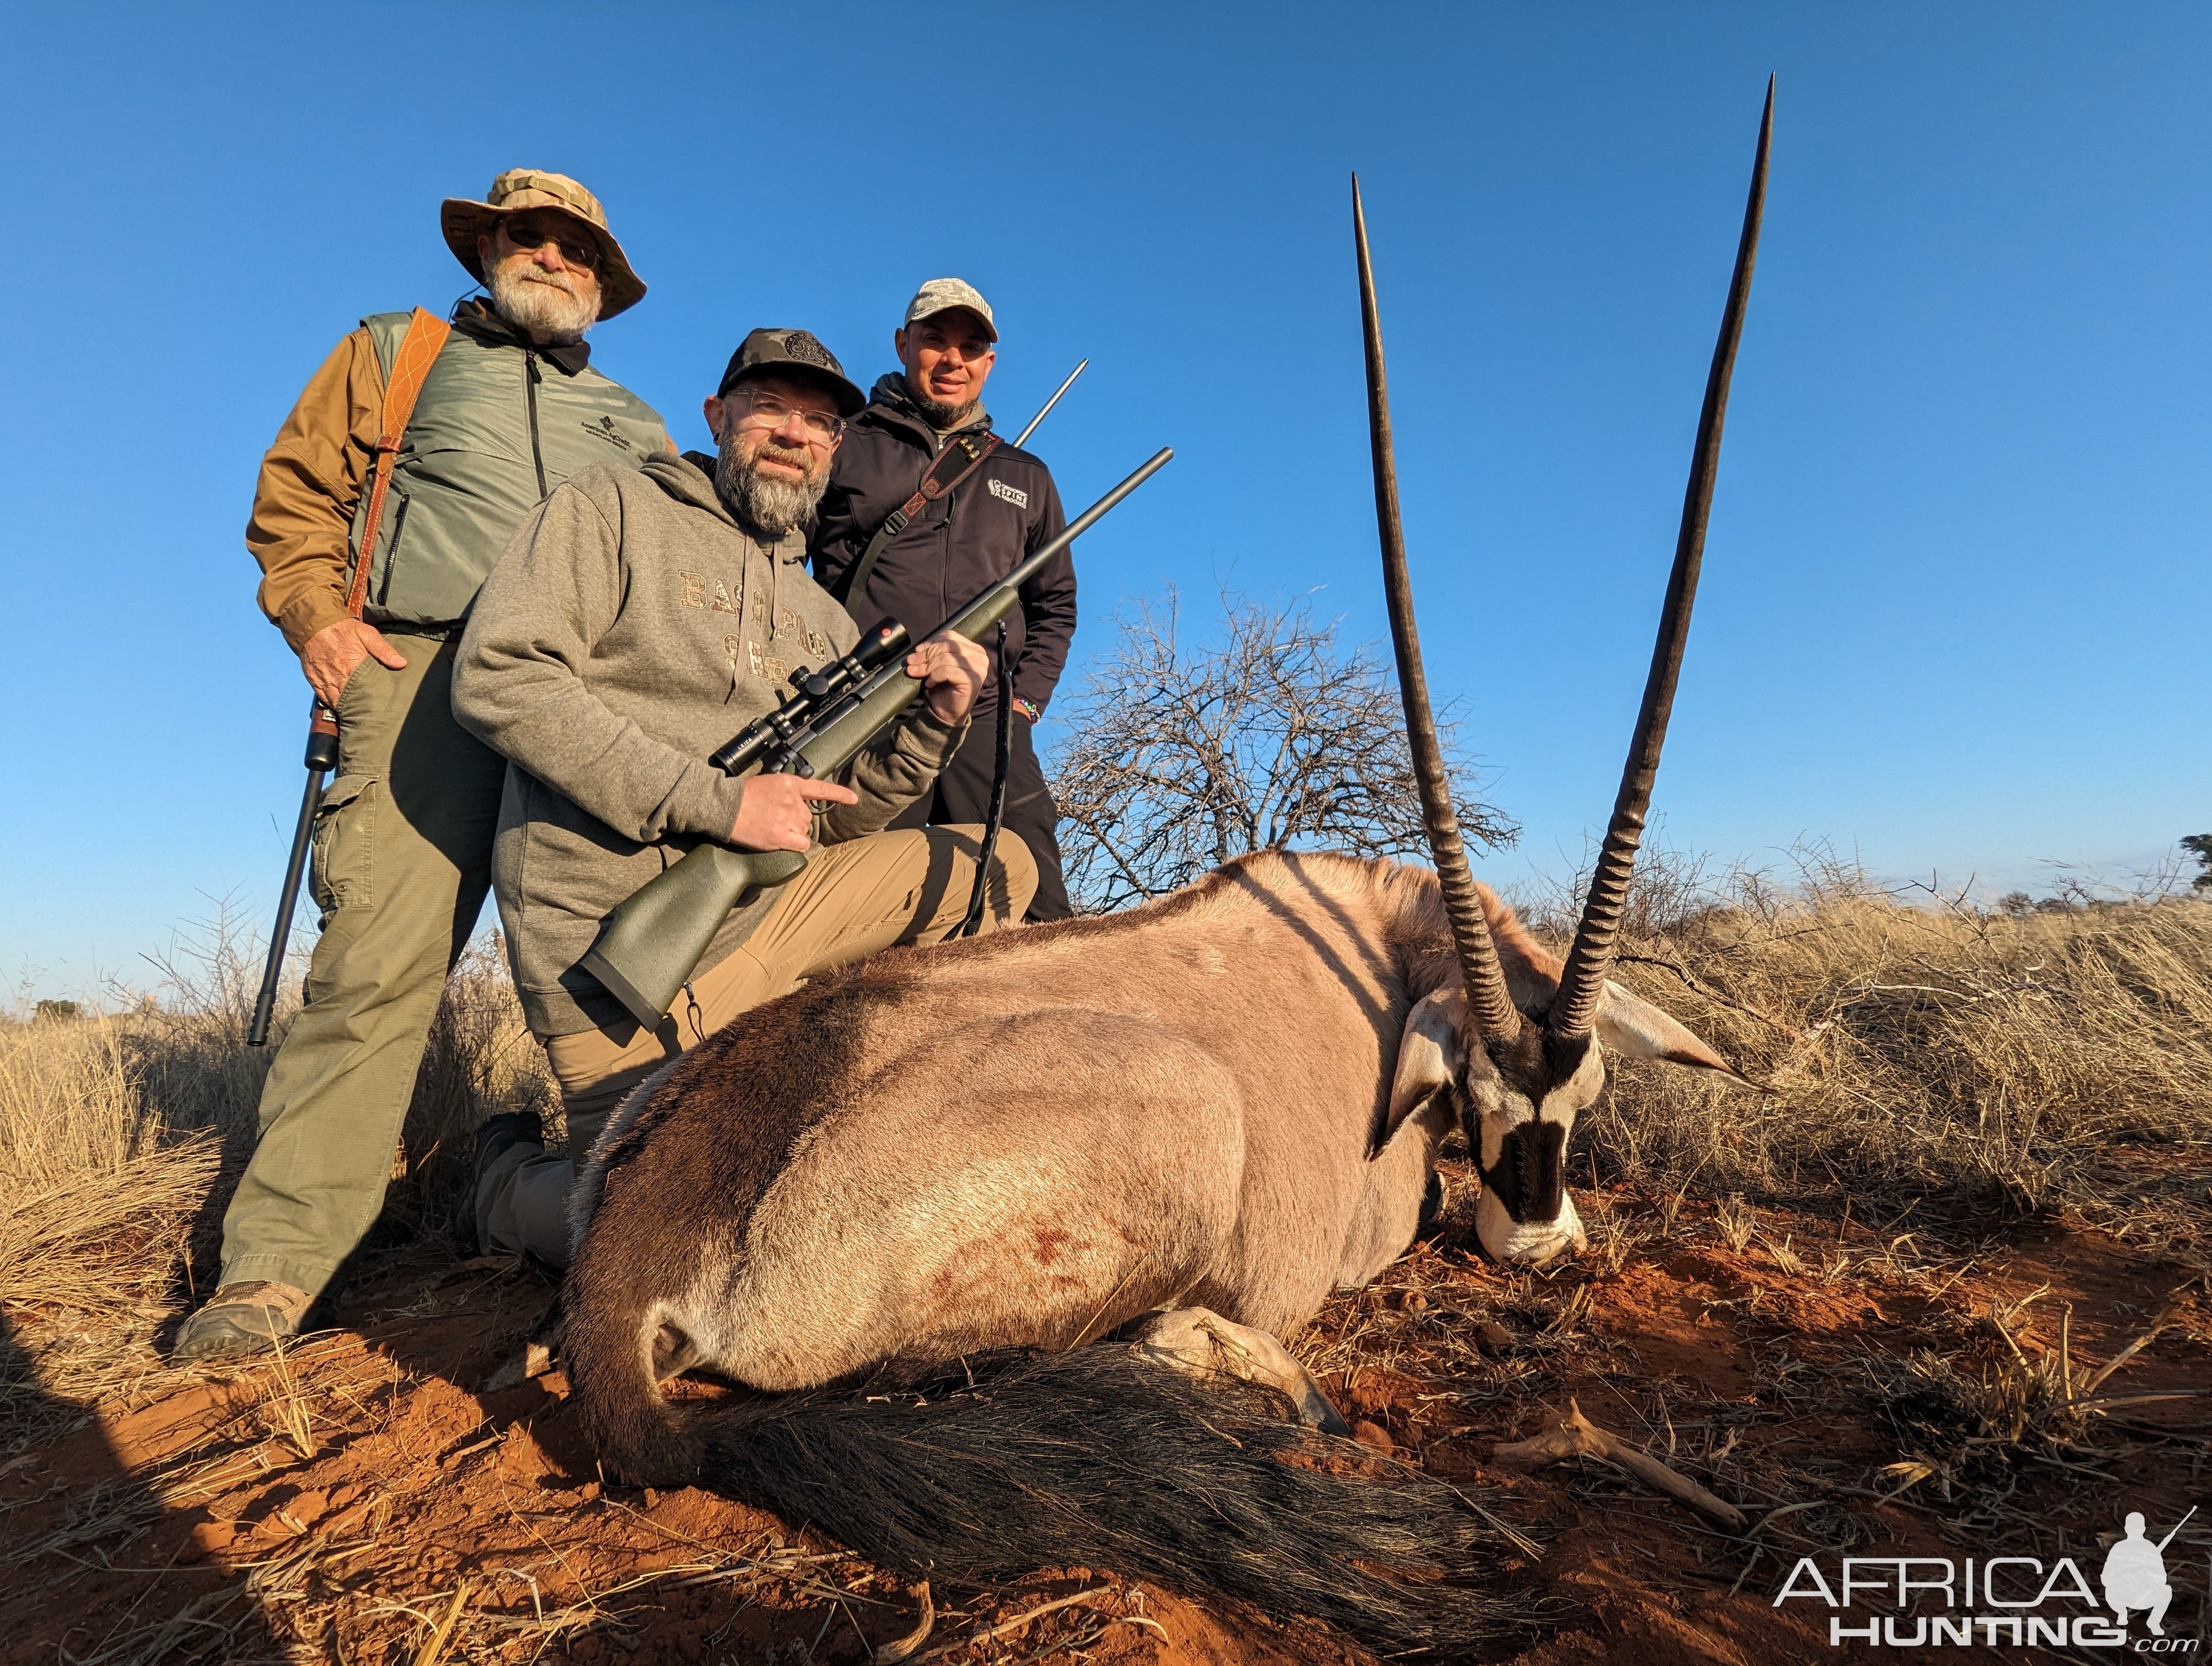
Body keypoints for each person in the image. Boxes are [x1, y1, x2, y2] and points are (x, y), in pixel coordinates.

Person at [176, 170, 670, 1362]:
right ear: (489, 242)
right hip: (426, 674)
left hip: (588, 705)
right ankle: (273, 1275)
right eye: (531, 236)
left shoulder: (641, 425)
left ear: (601, 281)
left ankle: (638, 1231)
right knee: (377, 971)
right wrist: (317, 624)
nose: (553, 258)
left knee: (637, 969)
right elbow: (296, 497)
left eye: (578, 248)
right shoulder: (402, 351)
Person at [452, 330, 1037, 1266]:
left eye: (818, 421)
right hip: (613, 964)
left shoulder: (824, 617)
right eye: (770, 407)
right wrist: (719, 805)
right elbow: (499, 676)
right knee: (665, 1244)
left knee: (994, 862)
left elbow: (839, 815)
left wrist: (935, 722)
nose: (794, 433)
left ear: (835, 450)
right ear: (718, 417)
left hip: (760, 927)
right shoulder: (612, 505)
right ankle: (501, 1183)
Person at [809, 279, 1077, 921]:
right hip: (867, 710)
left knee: (1035, 903)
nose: (952, 360)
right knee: (857, 906)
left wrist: (1024, 702)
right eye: (935, 340)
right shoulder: (842, 443)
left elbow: (1056, 603)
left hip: (985, 715)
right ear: (904, 344)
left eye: (970, 347)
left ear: (989, 363)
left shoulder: (1026, 475)